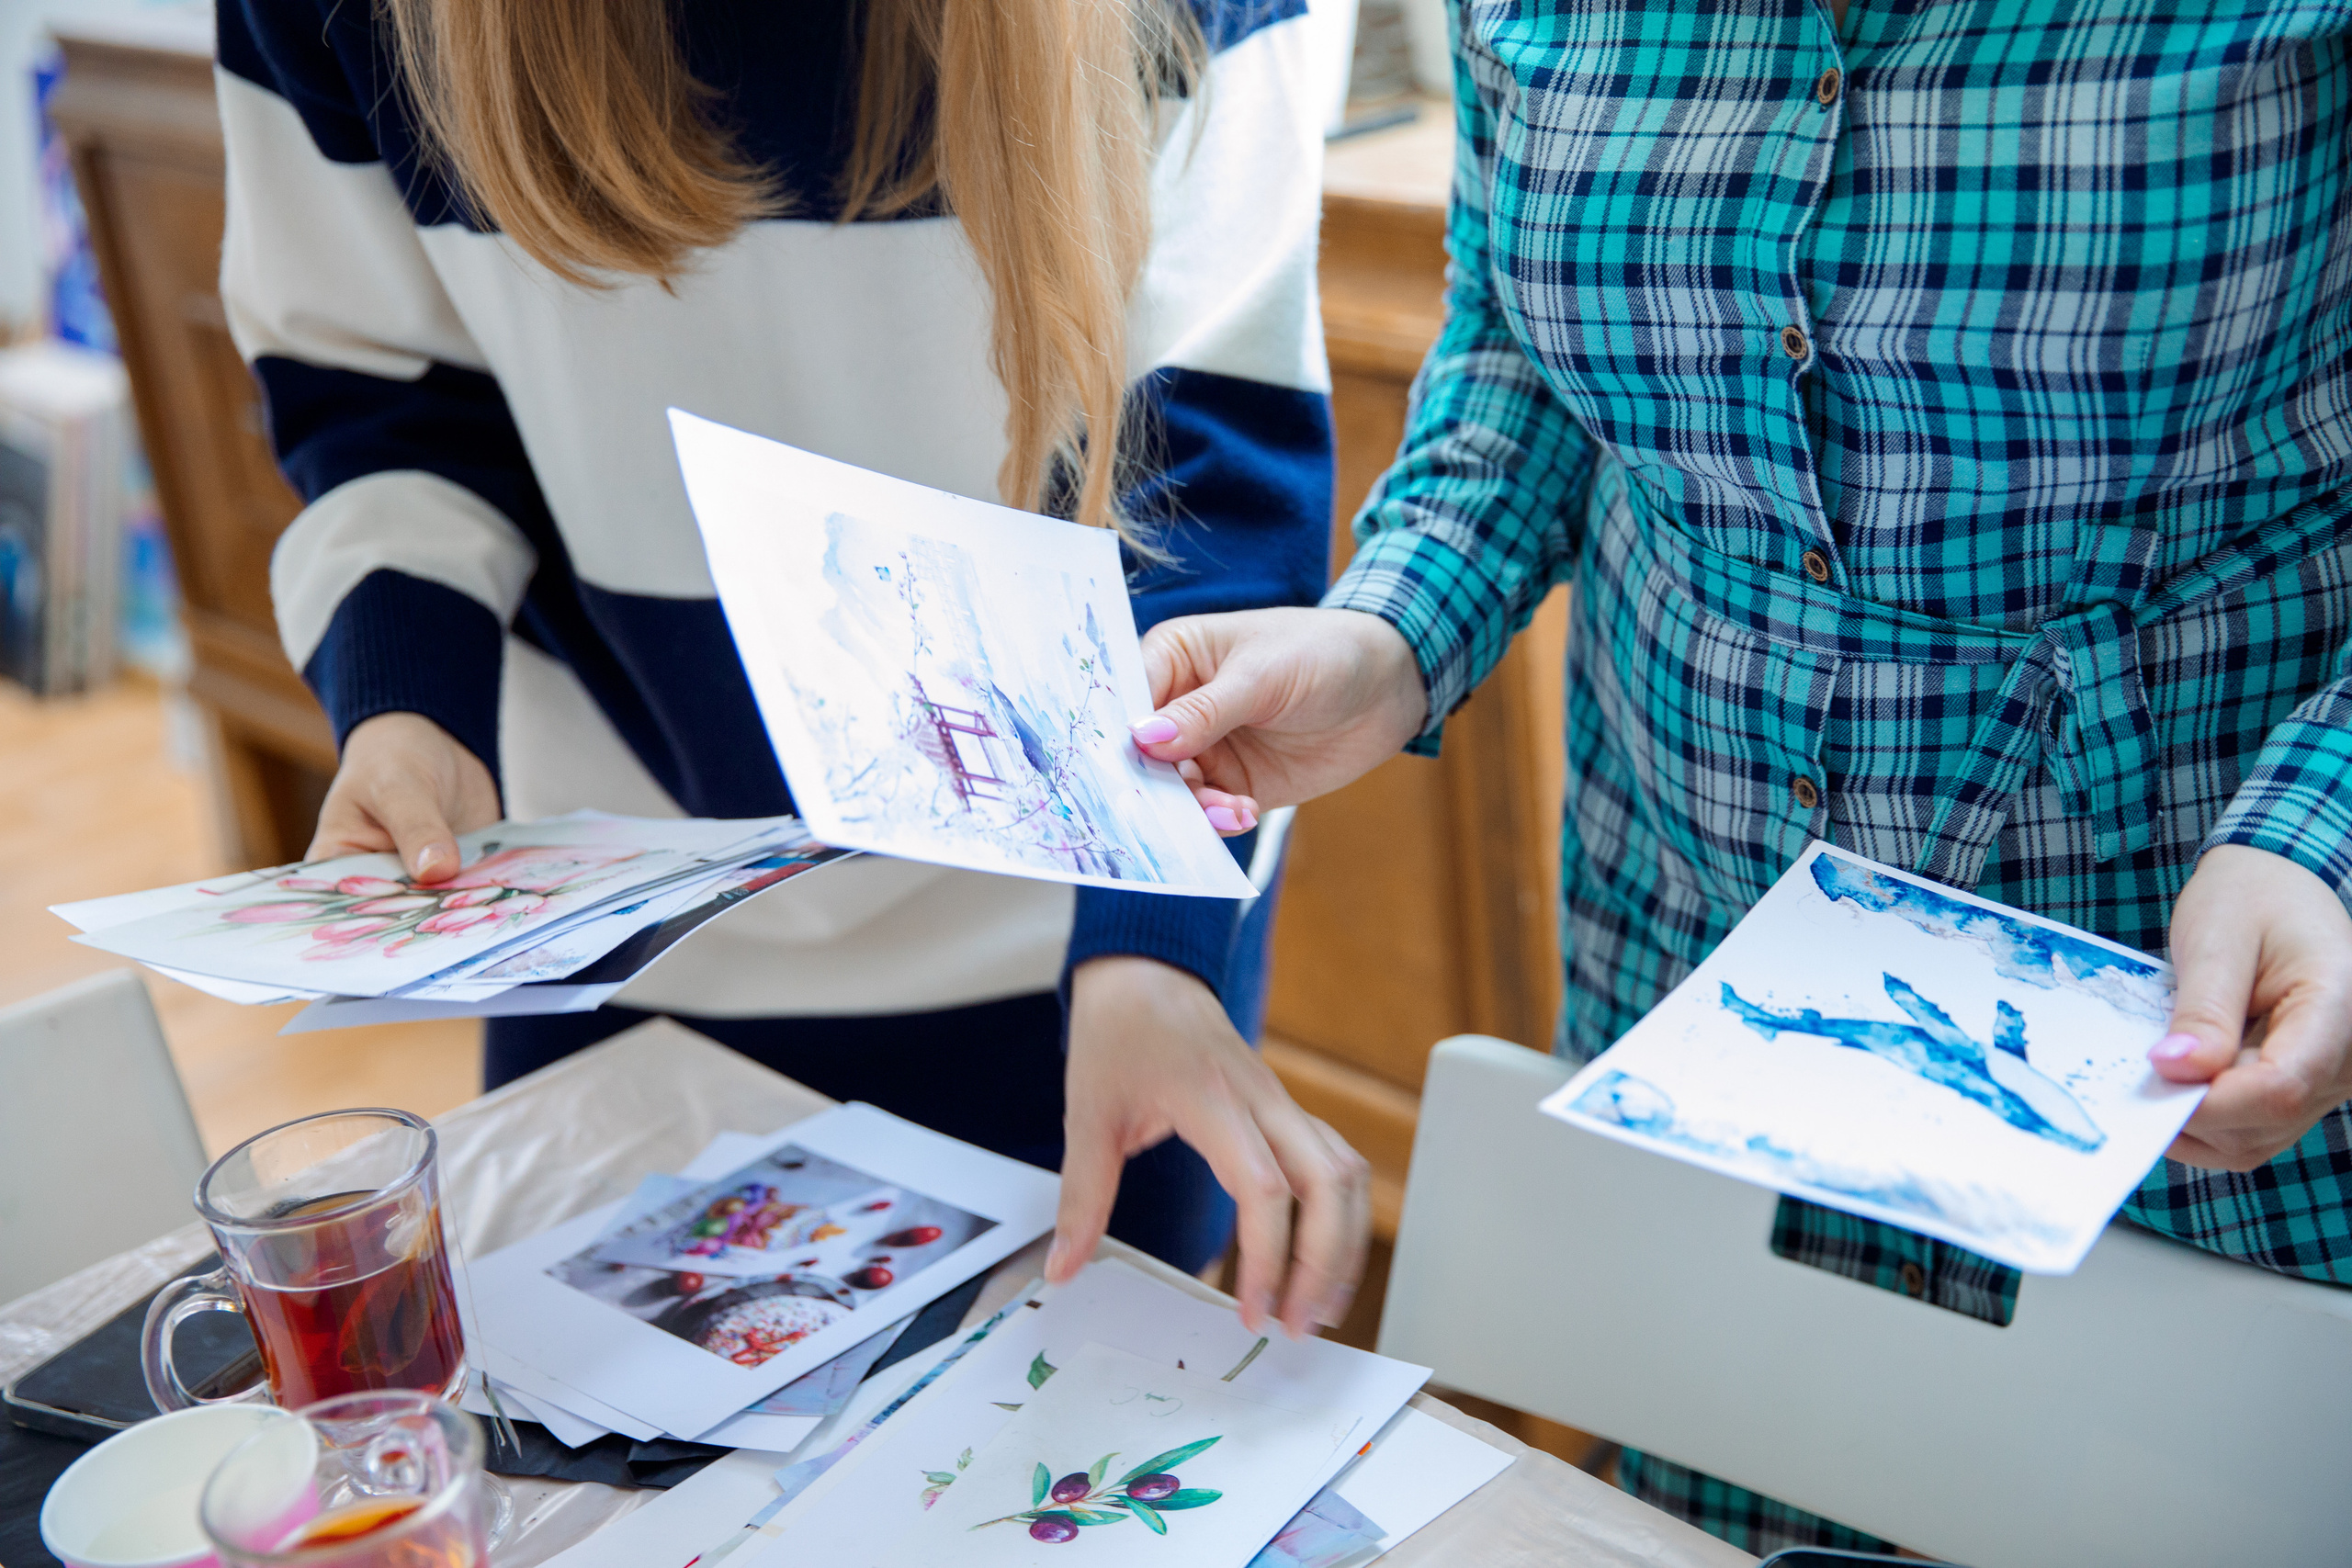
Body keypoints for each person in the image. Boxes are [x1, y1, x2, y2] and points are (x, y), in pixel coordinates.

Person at [1128, 0, 2352, 1551]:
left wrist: (2326, 836)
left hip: (2192, 1010)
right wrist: (1392, 629)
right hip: (1697, 973)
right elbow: (1515, 348)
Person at [216, 0, 1370, 1341]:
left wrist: (1150, 946)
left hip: (1101, 935)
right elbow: (384, 405)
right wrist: (408, 712)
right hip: (627, 913)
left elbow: (1213, 495)